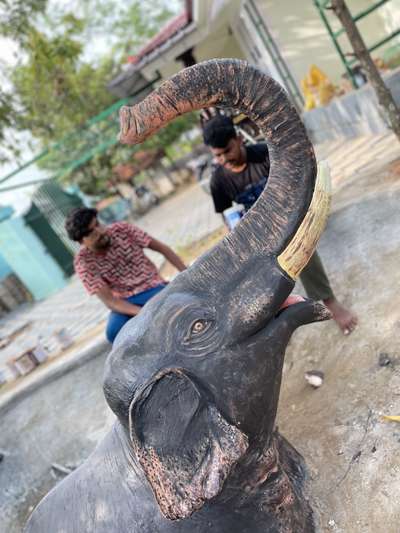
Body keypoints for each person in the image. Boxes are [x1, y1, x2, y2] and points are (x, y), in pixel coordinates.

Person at [203, 115, 357, 335]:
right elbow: (228, 217)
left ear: (238, 139)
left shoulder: (265, 154)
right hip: (256, 230)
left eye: (227, 151)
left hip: (289, 215)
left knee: (298, 243)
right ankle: (271, 322)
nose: (224, 159)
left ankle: (330, 303)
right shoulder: (218, 181)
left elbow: (296, 185)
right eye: (217, 155)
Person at [65, 207, 187, 343]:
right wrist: (143, 314)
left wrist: (187, 274)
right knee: (113, 333)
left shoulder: (123, 230)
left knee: (172, 308)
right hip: (124, 301)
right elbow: (110, 301)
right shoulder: (83, 262)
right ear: (81, 242)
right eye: (91, 233)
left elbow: (163, 249)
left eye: (98, 225)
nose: (100, 232)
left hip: (151, 286)